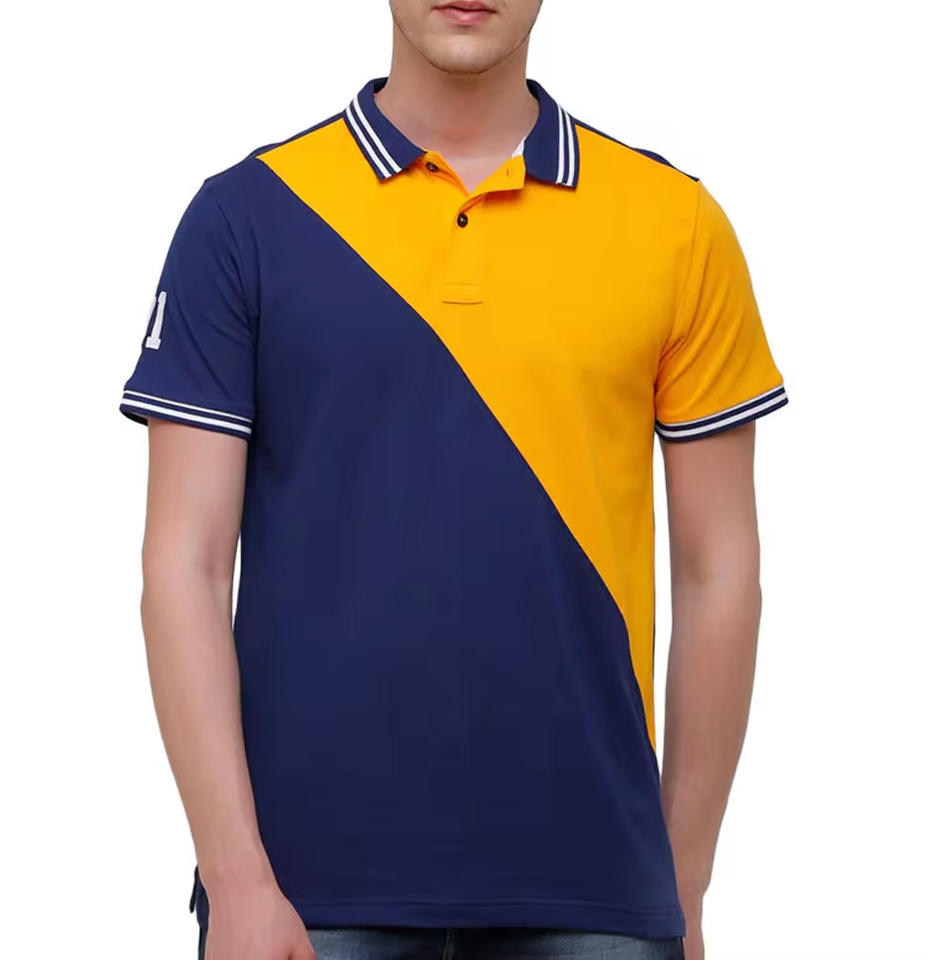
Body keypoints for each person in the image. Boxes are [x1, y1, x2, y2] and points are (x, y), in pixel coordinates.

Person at [118, 2, 787, 958]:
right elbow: (182, 563)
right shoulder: (247, 217)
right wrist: (234, 878)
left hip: (597, 891)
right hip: (305, 892)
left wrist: (679, 882)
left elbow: (720, 567)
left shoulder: (674, 224)